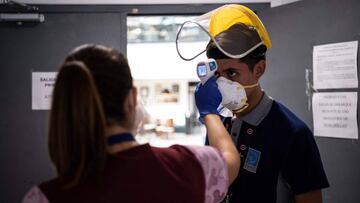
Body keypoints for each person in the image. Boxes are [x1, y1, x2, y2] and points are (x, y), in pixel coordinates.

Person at [22, 44, 240, 203]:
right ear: (131, 99)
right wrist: (209, 112)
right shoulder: (192, 166)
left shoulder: (42, 198)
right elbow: (230, 160)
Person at [176, 4, 329, 203]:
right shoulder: (218, 123)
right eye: (217, 74)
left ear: (259, 69)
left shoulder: (293, 133)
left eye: (232, 73)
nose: (221, 84)